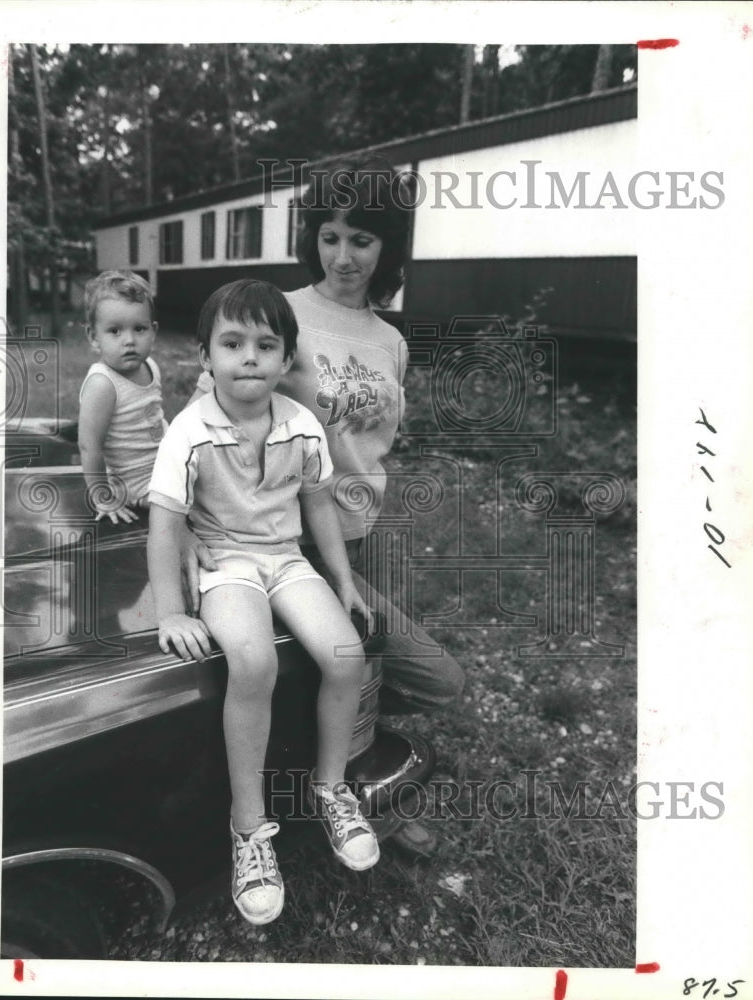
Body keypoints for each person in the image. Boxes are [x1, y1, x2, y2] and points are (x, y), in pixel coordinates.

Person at [186, 155, 465, 856]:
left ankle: (345, 771)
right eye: (330, 236)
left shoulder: (392, 341)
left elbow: (372, 444)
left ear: (387, 248)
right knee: (423, 673)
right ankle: (324, 792)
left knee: (381, 671)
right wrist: (190, 529)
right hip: (288, 543)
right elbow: (201, 423)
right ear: (312, 236)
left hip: (359, 538)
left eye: (362, 240)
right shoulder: (279, 315)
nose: (343, 256)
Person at [147, 278, 380, 926]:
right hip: (226, 563)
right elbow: (164, 526)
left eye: (265, 344)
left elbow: (317, 504)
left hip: (285, 559)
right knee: (253, 662)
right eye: (232, 343)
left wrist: (343, 579)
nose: (249, 357)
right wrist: (171, 610)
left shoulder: (301, 424)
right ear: (205, 357)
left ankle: (331, 788)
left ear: (286, 358)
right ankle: (248, 826)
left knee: (346, 654)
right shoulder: (188, 432)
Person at [78, 270, 166, 524]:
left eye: (139, 329)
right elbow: (89, 445)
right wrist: (102, 497)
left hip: (165, 463)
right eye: (115, 331)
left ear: (153, 331)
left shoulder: (150, 366)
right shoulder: (102, 384)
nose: (129, 340)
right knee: (185, 506)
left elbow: (152, 418)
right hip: (135, 482)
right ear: (94, 337)